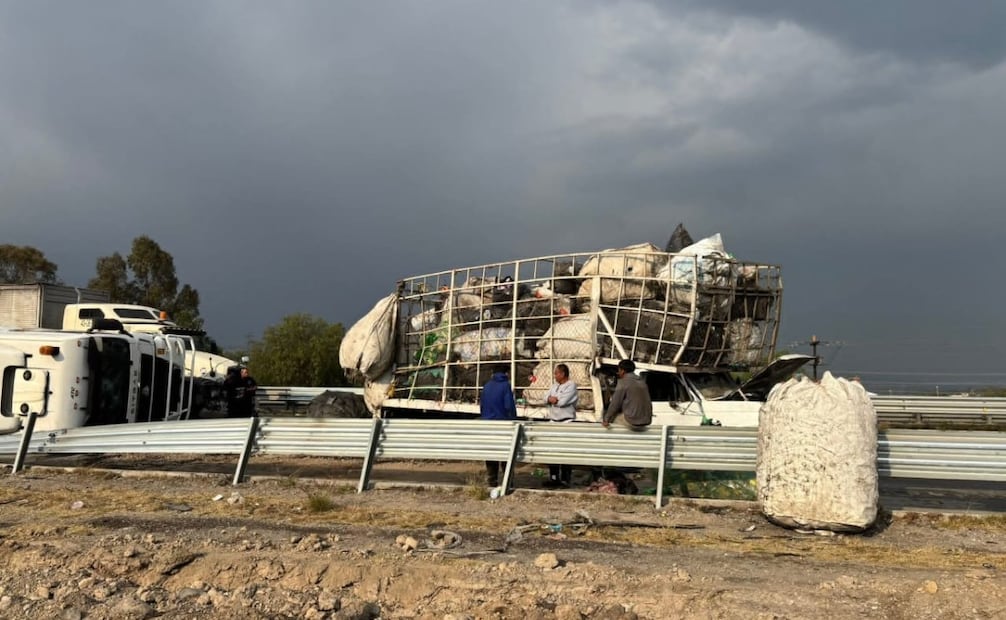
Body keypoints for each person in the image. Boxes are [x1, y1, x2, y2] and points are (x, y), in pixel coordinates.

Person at [479, 365, 518, 487]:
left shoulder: (487, 386)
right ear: (506, 373)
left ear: (492, 373)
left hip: (488, 424)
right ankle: (508, 481)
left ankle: (492, 479)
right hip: (503, 423)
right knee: (506, 453)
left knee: (491, 452)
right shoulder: (505, 386)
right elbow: (509, 406)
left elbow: (482, 406)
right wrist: (513, 419)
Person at [543, 363, 577, 488]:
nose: (555, 375)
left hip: (566, 422)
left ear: (563, 374)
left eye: (556, 373)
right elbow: (544, 397)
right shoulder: (554, 386)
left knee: (565, 451)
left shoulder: (571, 385)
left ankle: (565, 479)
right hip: (553, 421)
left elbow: (563, 402)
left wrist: (553, 399)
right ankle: (553, 478)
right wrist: (551, 399)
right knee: (552, 452)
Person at [602, 359, 652, 431]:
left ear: (622, 371)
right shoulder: (642, 382)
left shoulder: (623, 382)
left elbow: (615, 403)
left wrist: (606, 418)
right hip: (646, 420)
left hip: (633, 421)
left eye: (619, 370)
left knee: (610, 420)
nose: (618, 373)